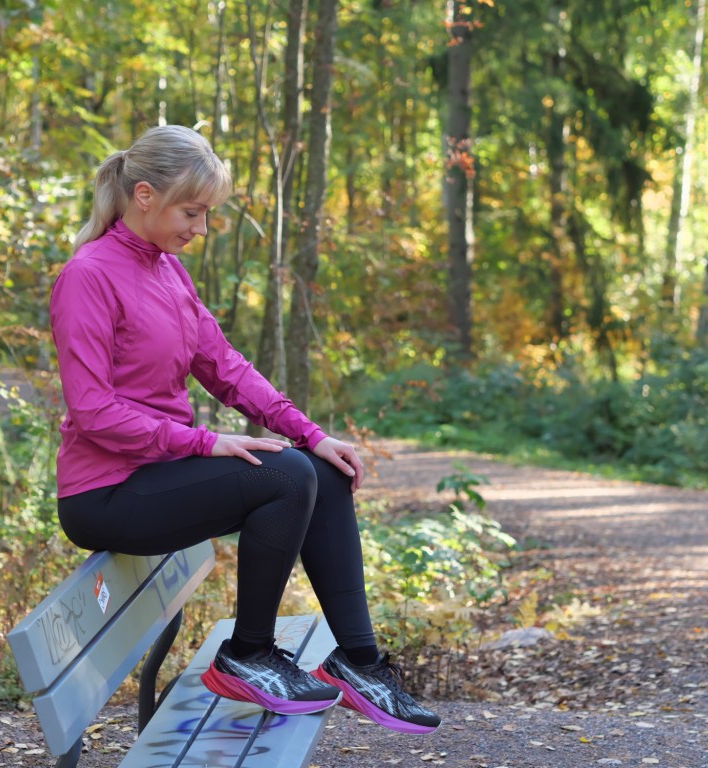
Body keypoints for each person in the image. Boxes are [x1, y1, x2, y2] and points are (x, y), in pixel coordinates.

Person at [50, 124, 440, 733]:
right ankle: (249, 653)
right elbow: (93, 410)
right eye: (192, 212)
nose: (201, 229)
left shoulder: (168, 272)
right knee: (284, 477)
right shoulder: (89, 275)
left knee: (320, 471)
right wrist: (206, 442)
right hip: (106, 493)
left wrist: (312, 434)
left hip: (158, 475)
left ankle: (360, 662)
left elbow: (225, 367)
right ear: (144, 195)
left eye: (206, 214)